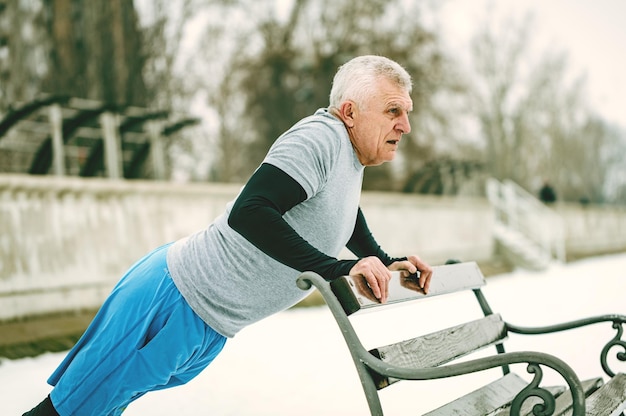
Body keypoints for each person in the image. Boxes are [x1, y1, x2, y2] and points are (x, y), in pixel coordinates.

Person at [24, 55, 433, 416]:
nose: (406, 125)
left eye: (407, 112)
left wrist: (382, 258)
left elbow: (341, 214)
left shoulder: (349, 156)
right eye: (393, 110)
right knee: (67, 412)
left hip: (209, 321)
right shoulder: (320, 138)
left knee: (99, 409)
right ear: (349, 112)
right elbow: (250, 213)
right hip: (174, 301)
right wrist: (339, 268)